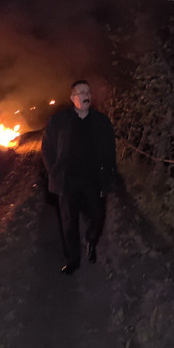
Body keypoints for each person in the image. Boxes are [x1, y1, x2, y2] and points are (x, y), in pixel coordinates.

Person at [41, 80, 117, 275]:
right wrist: (54, 171)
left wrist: (109, 174)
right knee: (69, 222)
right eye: (81, 92)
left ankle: (91, 240)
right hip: (67, 181)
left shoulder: (101, 121)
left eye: (88, 92)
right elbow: (47, 148)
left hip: (93, 179)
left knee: (98, 215)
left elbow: (110, 150)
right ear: (72, 98)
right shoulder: (59, 121)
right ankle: (73, 260)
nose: (86, 95)